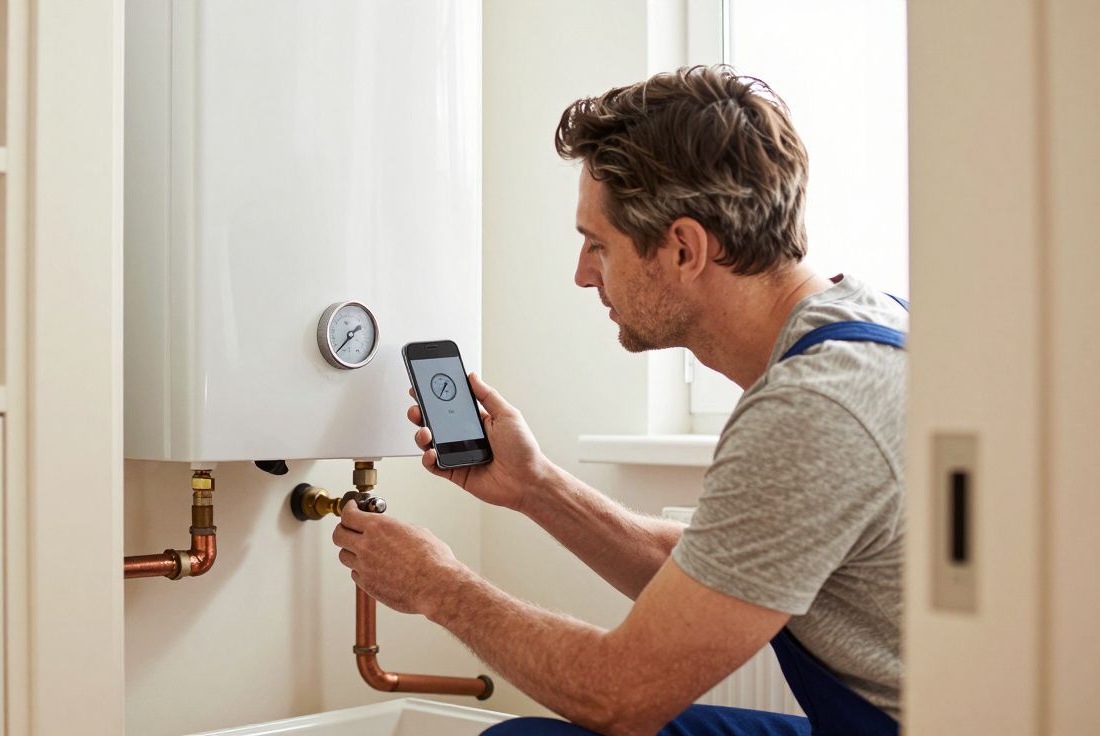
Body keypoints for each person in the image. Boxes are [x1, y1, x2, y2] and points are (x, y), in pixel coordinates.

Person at [331, 65, 905, 736]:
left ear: (684, 248)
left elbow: (621, 696)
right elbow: (712, 571)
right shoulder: (867, 322)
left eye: (597, 245)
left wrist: (437, 585)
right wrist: (535, 486)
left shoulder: (813, 412)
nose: (583, 275)